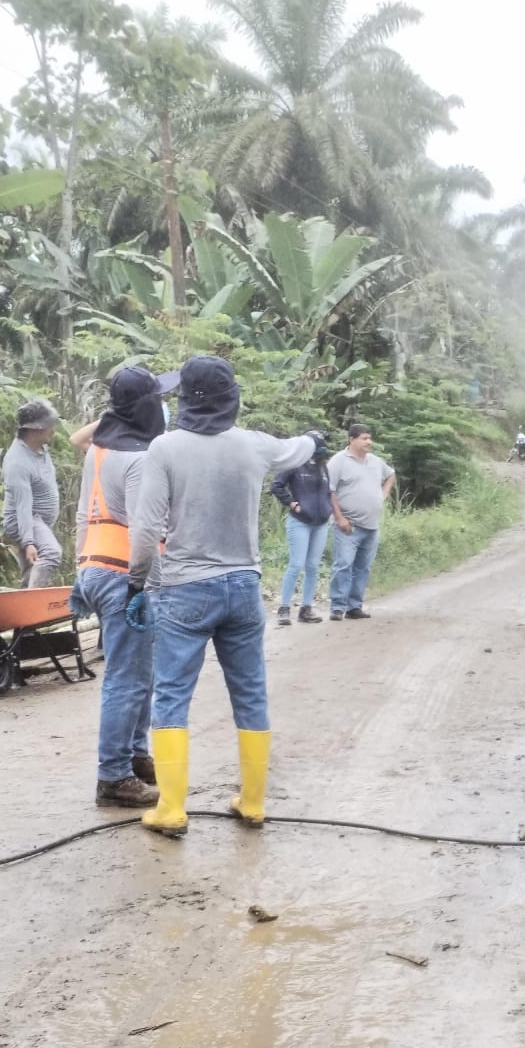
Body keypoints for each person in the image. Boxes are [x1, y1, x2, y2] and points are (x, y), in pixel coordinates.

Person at [128, 356, 318, 837]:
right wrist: (316, 439)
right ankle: (252, 802)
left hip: (184, 590)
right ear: (231, 396)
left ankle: (172, 809)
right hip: (243, 587)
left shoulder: (165, 448)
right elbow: (298, 448)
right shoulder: (255, 445)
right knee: (250, 692)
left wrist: (137, 582)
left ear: (184, 399)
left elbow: (146, 528)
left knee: (172, 695)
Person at [72, 368, 172, 809]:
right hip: (123, 573)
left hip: (97, 567)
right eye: (158, 399)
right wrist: (142, 583)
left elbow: (82, 514)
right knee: (127, 679)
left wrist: (81, 569)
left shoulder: (99, 450)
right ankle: (113, 776)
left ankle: (134, 754)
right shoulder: (138, 459)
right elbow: (144, 530)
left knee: (138, 672)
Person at [327, 424, 396, 621]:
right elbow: (329, 491)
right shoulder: (338, 461)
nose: (369, 442)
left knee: (363, 568)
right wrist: (339, 518)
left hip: (371, 526)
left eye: (369, 438)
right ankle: (337, 607)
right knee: (343, 565)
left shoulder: (375, 461)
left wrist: (383, 494)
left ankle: (354, 607)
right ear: (352, 439)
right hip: (348, 525)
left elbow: (391, 474)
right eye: (364, 438)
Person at [270, 431, 334, 625]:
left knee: (313, 566)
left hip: (321, 523)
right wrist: (292, 503)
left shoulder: (323, 467)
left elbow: (328, 492)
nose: (323, 447)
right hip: (300, 521)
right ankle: (284, 608)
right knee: (296, 564)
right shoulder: (294, 463)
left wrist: (329, 509)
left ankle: (306, 609)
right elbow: (277, 485)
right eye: (320, 444)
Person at [2, 399, 62, 587]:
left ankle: (24, 600)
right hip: (25, 518)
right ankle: (33, 598)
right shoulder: (18, 463)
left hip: (37, 521)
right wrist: (28, 541)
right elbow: (23, 506)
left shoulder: (40, 449)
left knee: (31, 568)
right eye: (49, 426)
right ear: (36, 429)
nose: (53, 430)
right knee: (51, 553)